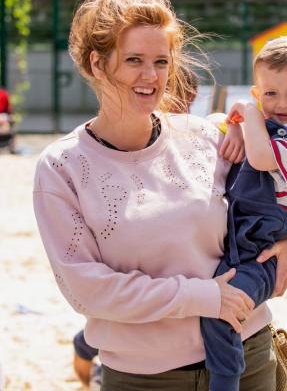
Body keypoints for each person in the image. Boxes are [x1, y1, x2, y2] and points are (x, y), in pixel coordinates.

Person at [33, 0, 287, 391]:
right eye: (134, 61)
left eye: (161, 61)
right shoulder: (61, 167)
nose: (151, 77)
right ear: (98, 63)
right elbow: (87, 289)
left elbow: (278, 191)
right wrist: (203, 298)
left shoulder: (210, 136)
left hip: (250, 355)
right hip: (145, 379)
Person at [201, 36, 287, 391]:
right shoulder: (266, 129)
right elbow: (221, 126)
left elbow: (261, 158)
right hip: (239, 243)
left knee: (224, 312)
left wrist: (251, 115)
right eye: (270, 94)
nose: (282, 104)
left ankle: (226, 383)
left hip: (264, 251)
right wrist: (240, 128)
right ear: (259, 92)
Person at [71, 67, 200, 388]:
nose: (174, 106)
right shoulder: (118, 138)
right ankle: (87, 357)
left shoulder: (195, 134)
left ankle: (88, 354)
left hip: (178, 290)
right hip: (134, 300)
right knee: (116, 320)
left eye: (183, 100)